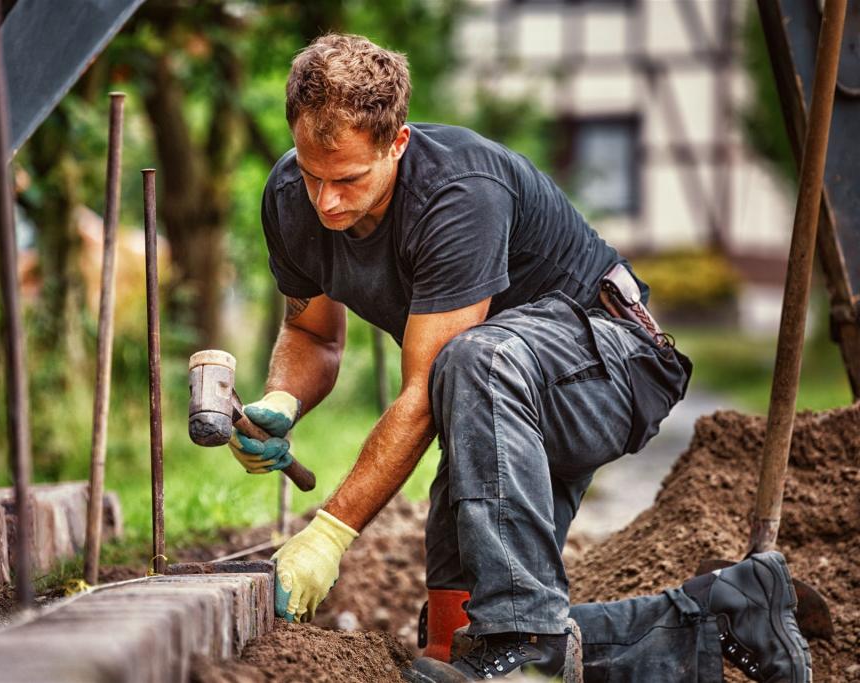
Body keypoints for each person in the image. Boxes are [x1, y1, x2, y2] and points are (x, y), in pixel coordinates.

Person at [227, 33, 811, 682]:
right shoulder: (290, 199)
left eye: (349, 179)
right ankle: (722, 615)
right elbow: (312, 334)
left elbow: (424, 392)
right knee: (458, 642)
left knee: (470, 367)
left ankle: (527, 639)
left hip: (613, 360)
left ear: (397, 143)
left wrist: (329, 533)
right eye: (313, 176)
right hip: (495, 398)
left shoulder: (457, 193)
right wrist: (281, 399)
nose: (326, 201)